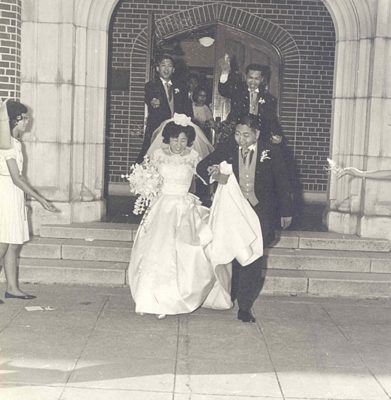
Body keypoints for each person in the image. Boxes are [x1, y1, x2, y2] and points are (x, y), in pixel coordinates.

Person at [197, 114, 293, 322]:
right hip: (234, 211)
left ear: (256, 134)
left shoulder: (271, 151)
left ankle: (245, 305)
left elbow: (283, 182)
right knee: (236, 252)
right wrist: (214, 173)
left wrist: (286, 211)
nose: (241, 139)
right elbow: (202, 167)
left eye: (246, 135)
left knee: (254, 256)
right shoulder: (227, 148)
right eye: (238, 134)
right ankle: (233, 294)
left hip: (261, 209)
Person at [128, 118, 214, 319]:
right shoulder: (158, 155)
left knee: (180, 253)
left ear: (189, 140)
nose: (179, 145)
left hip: (183, 207)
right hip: (162, 207)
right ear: (167, 139)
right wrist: (145, 185)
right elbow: (149, 176)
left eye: (183, 140)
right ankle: (148, 297)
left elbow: (204, 177)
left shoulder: (193, 156)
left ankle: (171, 299)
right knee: (156, 251)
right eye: (175, 140)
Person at [0, 99, 57, 300]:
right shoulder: (6, 144)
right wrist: (40, 199)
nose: (27, 121)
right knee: (3, 243)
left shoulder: (15, 143)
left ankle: (12, 288)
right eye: (24, 118)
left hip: (13, 195)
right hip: (5, 195)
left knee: (13, 243)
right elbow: (15, 178)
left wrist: (24, 199)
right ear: (14, 120)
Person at [137, 54, 191, 163]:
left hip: (176, 129)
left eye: (169, 66)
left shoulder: (181, 87)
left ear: (174, 69)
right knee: (152, 157)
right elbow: (150, 97)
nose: (166, 69)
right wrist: (153, 101)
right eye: (163, 65)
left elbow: (187, 108)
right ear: (157, 68)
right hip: (157, 128)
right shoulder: (151, 85)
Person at [218, 54, 283, 144]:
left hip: (258, 137)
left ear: (262, 79)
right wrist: (225, 72)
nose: (253, 82)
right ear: (246, 77)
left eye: (256, 79)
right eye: (250, 78)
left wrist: (277, 134)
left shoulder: (269, 99)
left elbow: (272, 119)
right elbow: (223, 90)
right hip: (238, 136)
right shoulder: (238, 91)